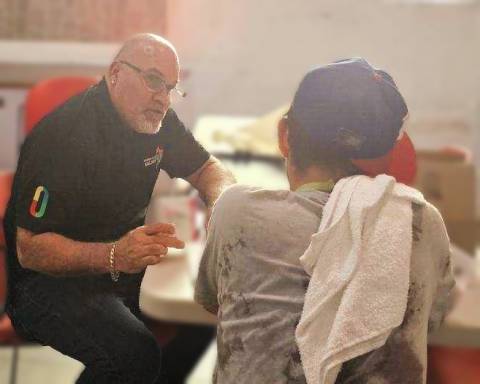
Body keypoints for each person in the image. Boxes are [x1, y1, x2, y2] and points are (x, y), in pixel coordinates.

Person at [195, 58, 454, 383]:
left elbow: (212, 300)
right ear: (390, 156)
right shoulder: (420, 222)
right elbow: (433, 316)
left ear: (284, 136)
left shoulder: (237, 210)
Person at [3, 33, 235, 384]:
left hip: (119, 266)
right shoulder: (64, 136)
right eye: (154, 80)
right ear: (115, 74)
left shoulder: (158, 118)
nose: (162, 98)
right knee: (133, 354)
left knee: (209, 312)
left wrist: (224, 205)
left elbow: (208, 170)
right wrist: (113, 255)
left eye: (170, 87)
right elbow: (30, 250)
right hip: (46, 284)